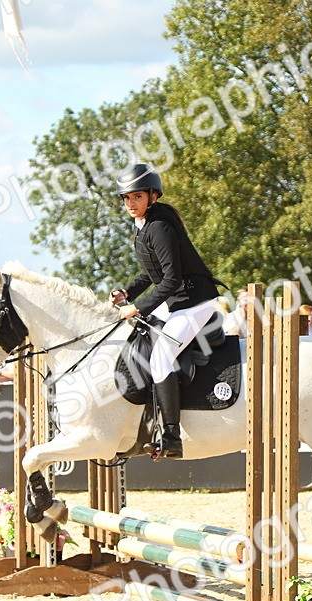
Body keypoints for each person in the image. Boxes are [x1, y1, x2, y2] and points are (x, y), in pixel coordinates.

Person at [109, 163, 223, 459]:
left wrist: (137, 307)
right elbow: (153, 273)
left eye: (137, 197)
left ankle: (172, 436)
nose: (131, 204)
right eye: (126, 198)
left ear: (152, 196)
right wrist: (127, 292)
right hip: (178, 300)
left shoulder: (159, 226)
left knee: (161, 356)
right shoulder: (143, 226)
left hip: (195, 301)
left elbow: (171, 280)